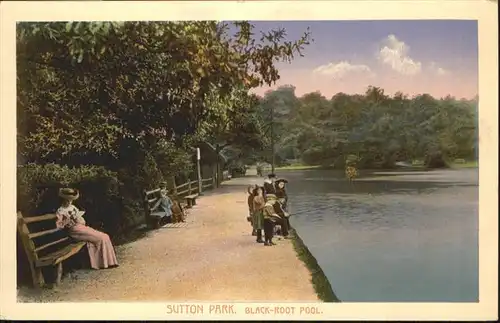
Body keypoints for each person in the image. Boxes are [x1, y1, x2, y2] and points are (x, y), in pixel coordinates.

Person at [55, 188, 119, 270]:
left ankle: (109, 262)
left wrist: (78, 218)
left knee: (105, 236)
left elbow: (82, 221)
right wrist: (67, 221)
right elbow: (59, 226)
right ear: (63, 199)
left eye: (71, 200)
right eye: (67, 200)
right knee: (100, 238)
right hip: (74, 231)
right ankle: (102, 263)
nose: (69, 202)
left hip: (81, 227)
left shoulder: (73, 207)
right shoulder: (60, 211)